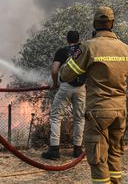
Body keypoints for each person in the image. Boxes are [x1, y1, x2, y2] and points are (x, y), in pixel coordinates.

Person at [61, 6, 128, 184]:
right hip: (119, 112)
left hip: (98, 112)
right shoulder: (127, 50)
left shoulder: (89, 47)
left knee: (98, 158)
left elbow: (66, 75)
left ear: (94, 24)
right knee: (115, 154)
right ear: (112, 24)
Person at [42, 31, 87, 160]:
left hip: (66, 86)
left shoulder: (62, 51)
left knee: (56, 117)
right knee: (79, 118)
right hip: (81, 88)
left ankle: (54, 150)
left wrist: (55, 83)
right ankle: (77, 149)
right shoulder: (85, 50)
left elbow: (54, 70)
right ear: (79, 39)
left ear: (67, 40)